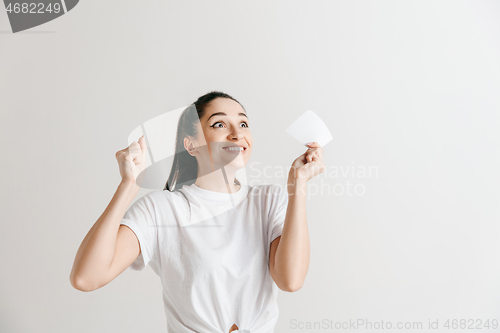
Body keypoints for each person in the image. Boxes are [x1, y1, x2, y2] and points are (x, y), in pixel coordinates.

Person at [69, 91, 326, 332]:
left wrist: (298, 187)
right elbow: (86, 278)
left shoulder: (269, 200)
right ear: (191, 145)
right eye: (219, 124)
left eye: (244, 124)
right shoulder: (161, 211)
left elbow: (290, 280)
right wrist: (128, 185)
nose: (237, 134)